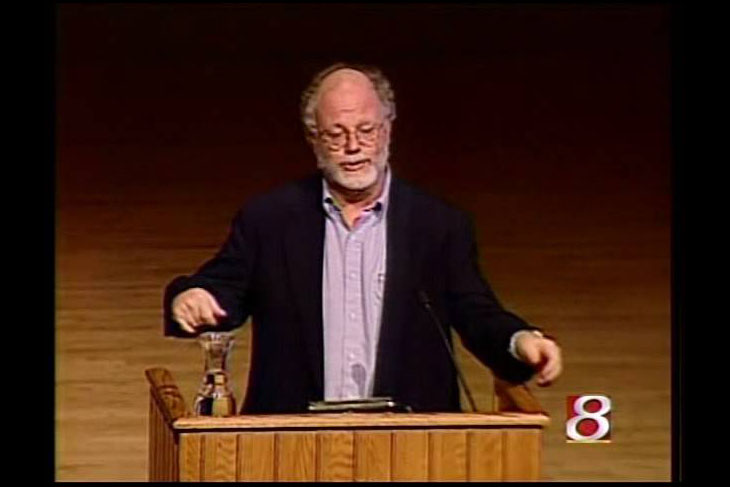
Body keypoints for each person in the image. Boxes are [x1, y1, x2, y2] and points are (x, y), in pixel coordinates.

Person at [163, 62, 562, 413]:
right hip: (291, 443)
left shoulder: (437, 225)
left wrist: (520, 340)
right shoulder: (271, 219)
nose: (353, 147)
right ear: (314, 139)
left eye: (366, 130)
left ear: (388, 130)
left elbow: (475, 312)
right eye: (336, 134)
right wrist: (192, 297)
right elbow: (223, 290)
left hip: (411, 444)